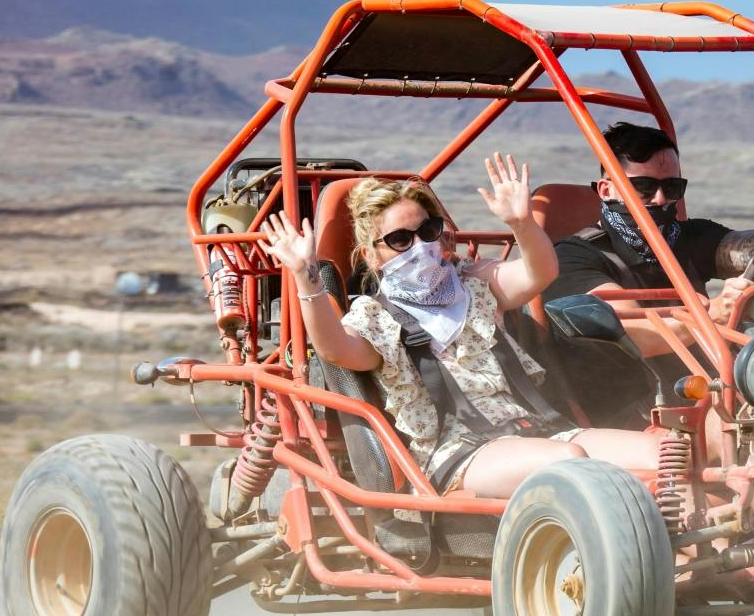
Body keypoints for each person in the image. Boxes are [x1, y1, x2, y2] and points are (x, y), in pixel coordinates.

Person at [258, 154, 663, 497]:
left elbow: (539, 274)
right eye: (400, 239)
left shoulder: (473, 284)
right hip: (457, 453)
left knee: (663, 452)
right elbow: (334, 350)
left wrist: (522, 224)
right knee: (570, 464)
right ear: (373, 255)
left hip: (536, 431)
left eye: (428, 231)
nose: (420, 246)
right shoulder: (374, 316)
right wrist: (303, 276)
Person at [548, 121, 754, 348]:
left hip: (713, 390)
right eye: (643, 188)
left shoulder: (688, 237)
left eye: (671, 187)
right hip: (627, 402)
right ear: (606, 190)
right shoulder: (574, 257)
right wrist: (710, 315)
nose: (661, 200)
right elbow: (630, 335)